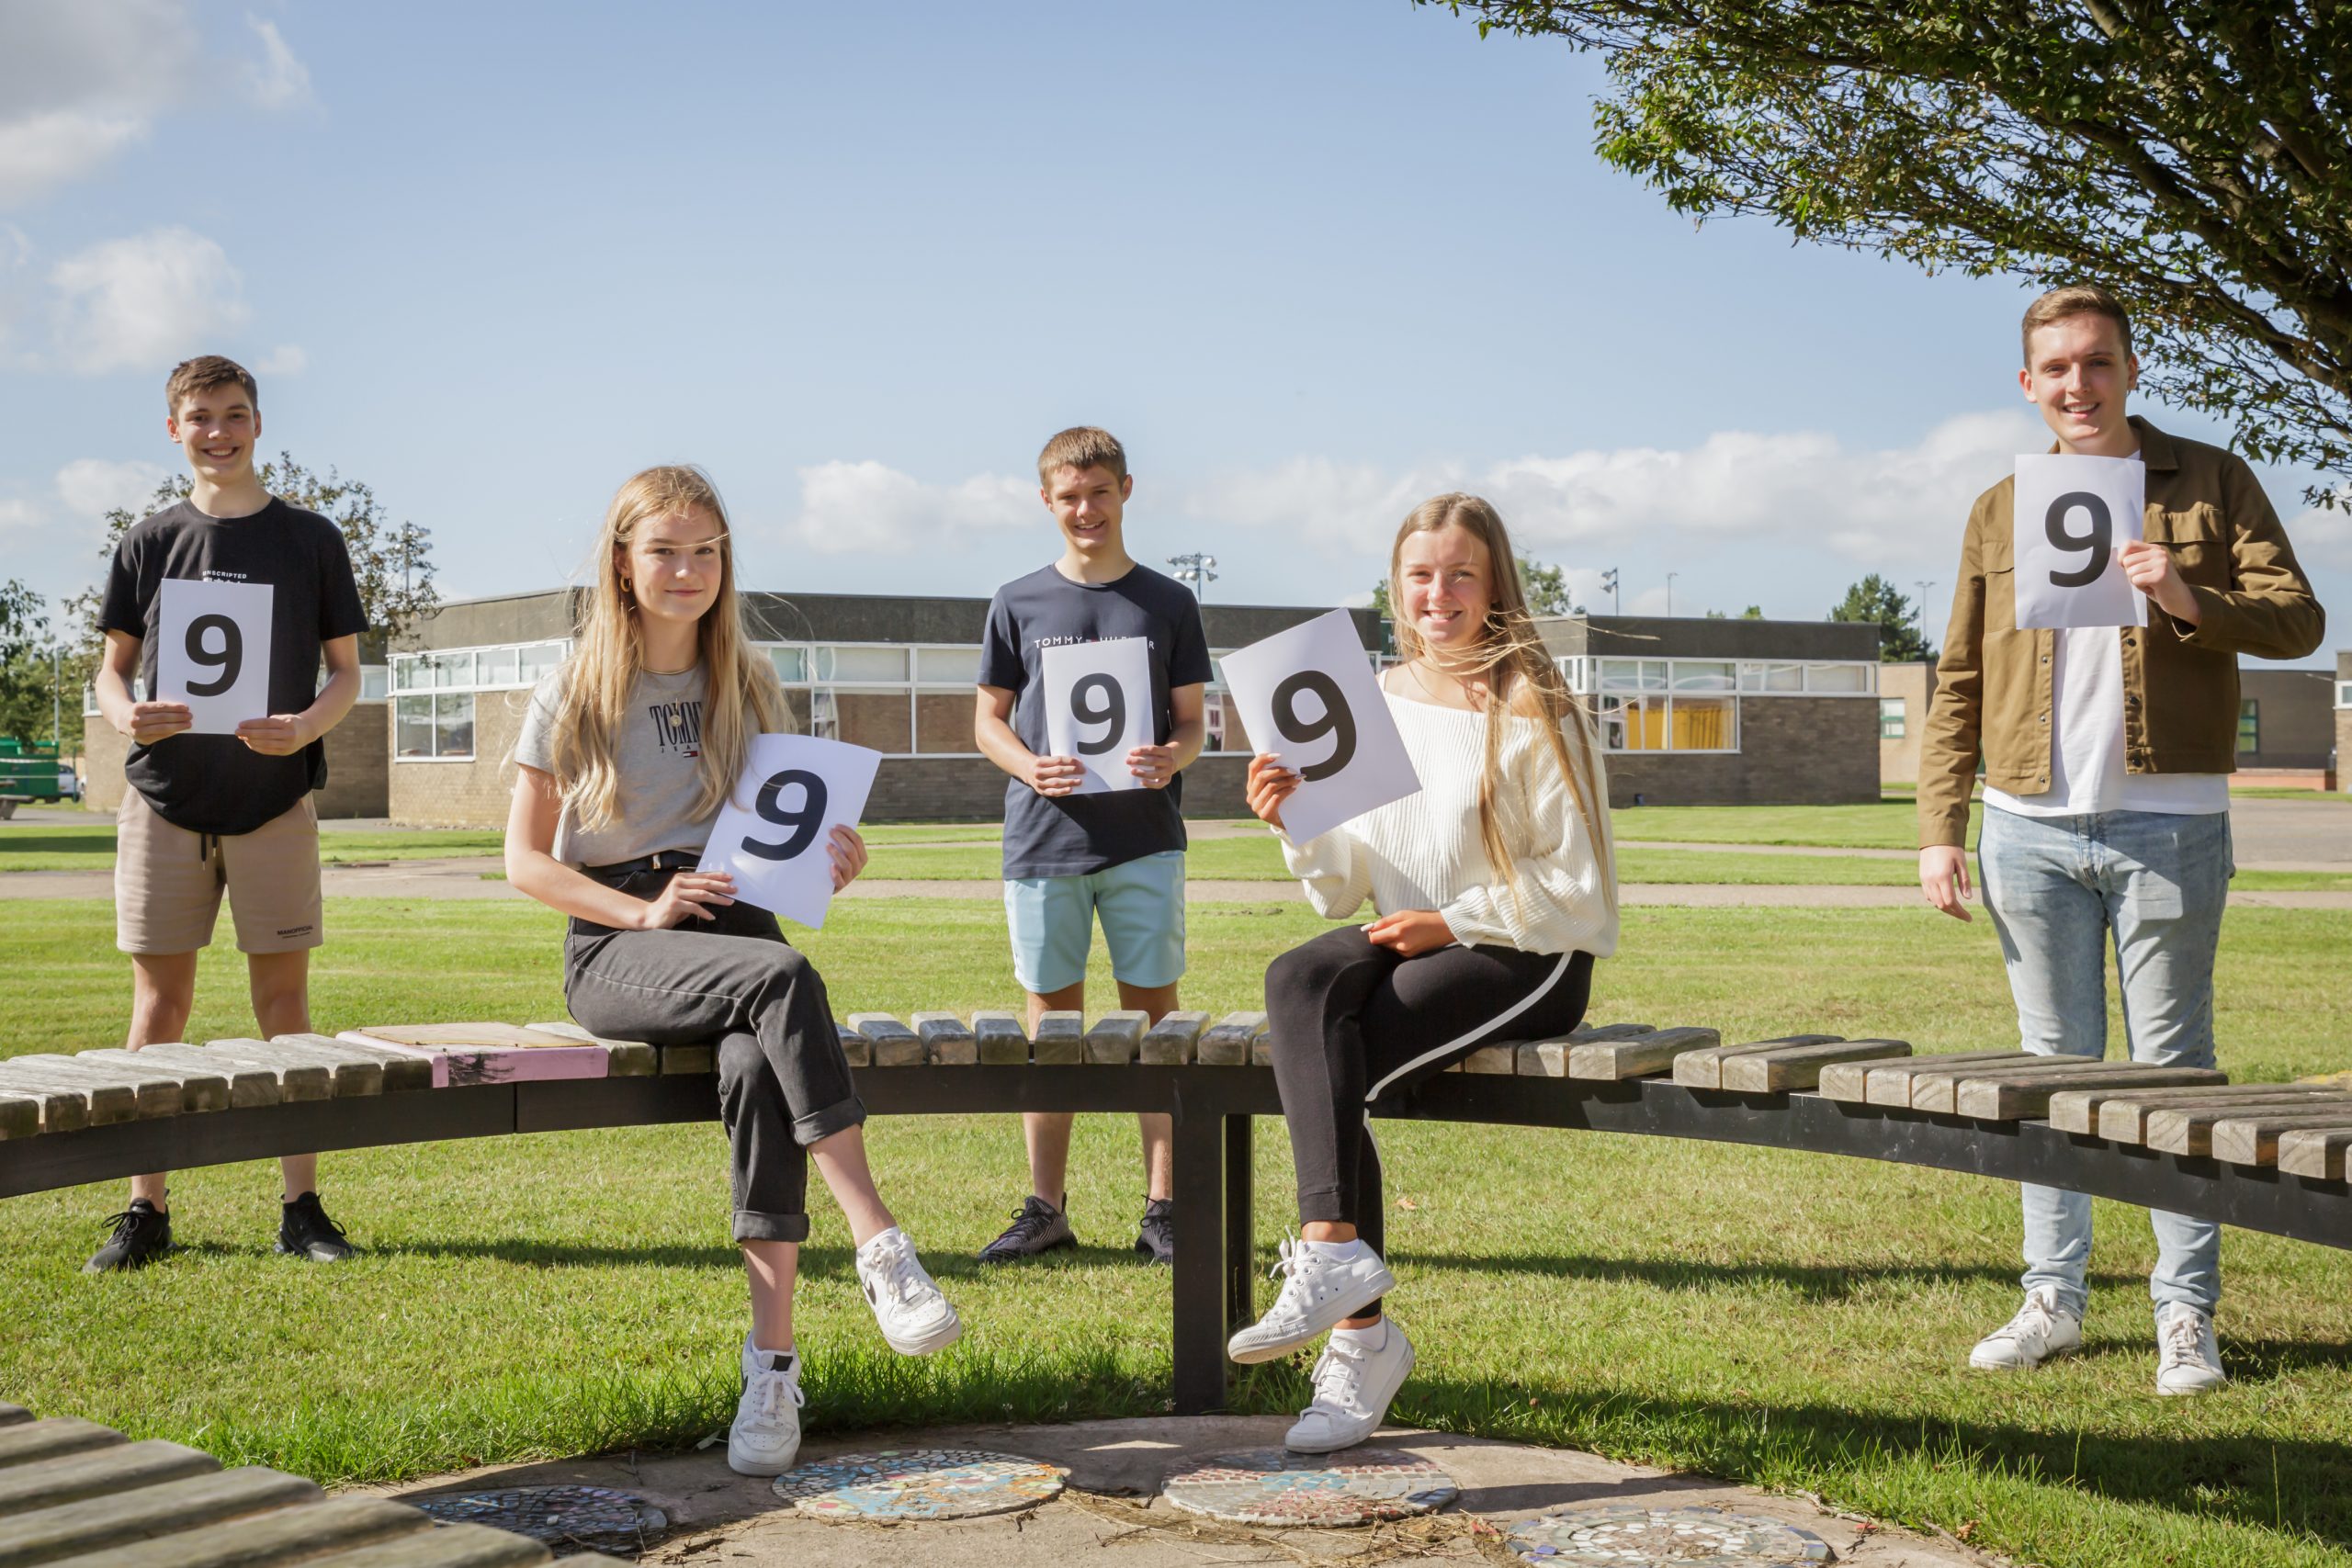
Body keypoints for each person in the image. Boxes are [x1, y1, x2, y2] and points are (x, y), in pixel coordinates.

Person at [505, 465, 961, 1474]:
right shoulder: (572, 689)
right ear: (622, 563)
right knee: (780, 980)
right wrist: (641, 906)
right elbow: (525, 863)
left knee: (759, 1066)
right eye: (664, 550)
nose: (687, 570)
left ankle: (771, 1368)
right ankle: (880, 1242)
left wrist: (833, 859)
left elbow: (780, 831)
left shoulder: (747, 680)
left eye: (705, 551)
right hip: (621, 942)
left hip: (733, 921)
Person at [1918, 285, 2324, 1395]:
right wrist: (1938, 827)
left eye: (2096, 363)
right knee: (2050, 1073)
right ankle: (2052, 1297)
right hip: (2026, 828)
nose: (2077, 385)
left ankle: (2184, 1316)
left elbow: (2300, 618)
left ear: (2130, 370)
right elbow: (1956, 676)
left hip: (2170, 822)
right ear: (2027, 385)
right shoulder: (1999, 509)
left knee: (2172, 1071)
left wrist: (2187, 594)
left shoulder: (2212, 480)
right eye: (2055, 368)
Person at [1230, 492, 1617, 1451]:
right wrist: (1297, 819)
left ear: (1493, 587)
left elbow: (1580, 894)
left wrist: (1454, 919)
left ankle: (1356, 1337)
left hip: (1522, 953)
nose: (1436, 593)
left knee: (1337, 1063)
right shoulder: (1369, 705)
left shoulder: (1533, 705)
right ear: (1394, 586)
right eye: (1418, 573)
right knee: (1296, 982)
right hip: (1408, 931)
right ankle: (1342, 1280)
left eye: (1459, 573)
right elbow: (1341, 890)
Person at [86, 355, 368, 1272]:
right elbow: (113, 668)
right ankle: (144, 1210)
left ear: (258, 422)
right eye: (200, 417)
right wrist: (126, 714)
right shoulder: (148, 542)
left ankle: (302, 1208)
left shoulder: (312, 539)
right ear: (176, 430)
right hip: (164, 805)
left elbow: (347, 674)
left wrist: (303, 729)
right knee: (158, 1009)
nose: (219, 431)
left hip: (275, 805)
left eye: (234, 413)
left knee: (284, 1006)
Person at [971, 426, 1212, 1265]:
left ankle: (1166, 1207)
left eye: (1099, 493)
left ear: (1126, 492)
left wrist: (1170, 757)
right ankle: (1046, 1207)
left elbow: (1193, 724)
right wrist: (1031, 767)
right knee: (1052, 1026)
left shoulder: (1169, 603)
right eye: (1069, 496)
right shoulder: (1016, 601)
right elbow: (987, 722)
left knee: (1156, 1018)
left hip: (1145, 840)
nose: (1085, 509)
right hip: (1044, 843)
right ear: (1047, 501)